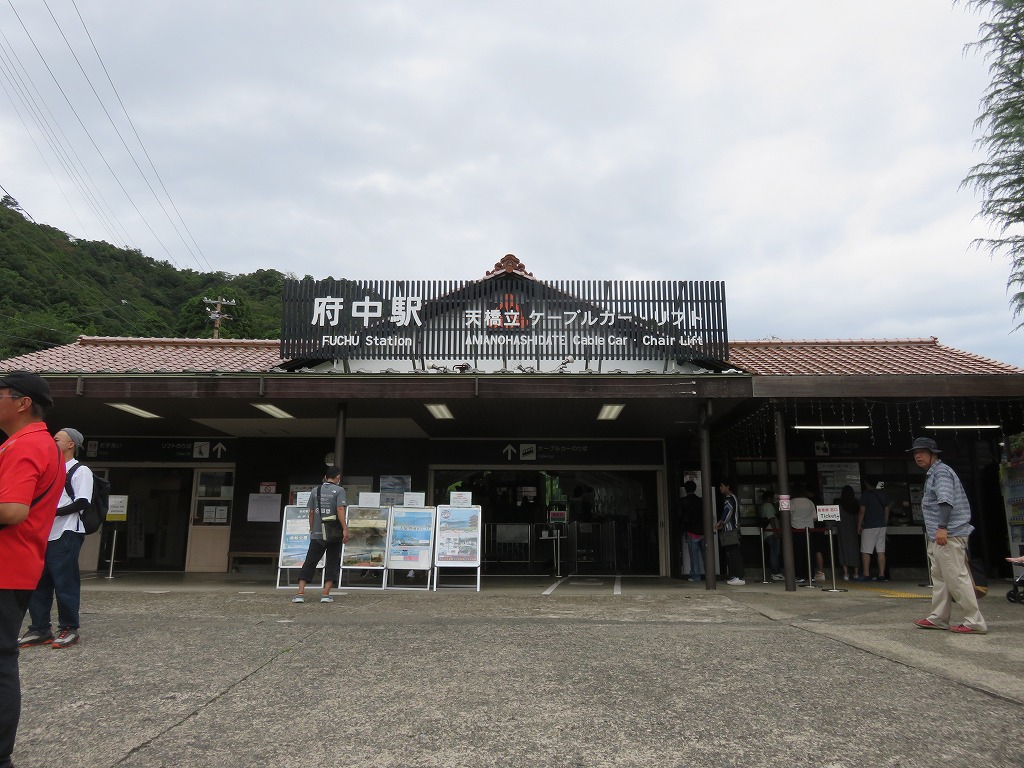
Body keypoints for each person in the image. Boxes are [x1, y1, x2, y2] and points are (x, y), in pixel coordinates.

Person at [0, 371, 65, 768]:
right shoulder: (41, 444)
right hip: (18, 565)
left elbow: (12, 510)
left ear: (23, 402)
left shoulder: (25, 446)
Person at [19, 428, 92, 650]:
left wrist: (49, 511)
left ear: (71, 444)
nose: (52, 441)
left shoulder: (80, 471)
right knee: (38, 581)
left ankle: (69, 627)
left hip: (66, 532)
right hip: (42, 533)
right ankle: (40, 628)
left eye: (57, 439)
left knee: (64, 581)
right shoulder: (48, 469)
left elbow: (82, 502)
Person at [909, 437, 988, 634]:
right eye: (915, 453)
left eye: (922, 452)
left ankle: (974, 621)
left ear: (933, 454)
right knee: (941, 577)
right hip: (940, 534)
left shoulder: (941, 472)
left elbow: (945, 501)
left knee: (955, 577)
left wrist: (942, 527)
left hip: (948, 533)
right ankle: (938, 617)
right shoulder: (934, 473)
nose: (918, 456)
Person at [292, 466, 348, 603]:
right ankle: (325, 593)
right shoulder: (339, 491)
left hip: (317, 533)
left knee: (310, 561)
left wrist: (312, 529)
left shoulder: (315, 491)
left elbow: (311, 512)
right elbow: (340, 509)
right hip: (334, 533)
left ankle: (300, 593)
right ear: (338, 477)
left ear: (325, 476)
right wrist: (345, 528)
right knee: (332, 562)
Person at [856, 478, 891, 581]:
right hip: (882, 526)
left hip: (869, 525)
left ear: (866, 483)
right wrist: (885, 522)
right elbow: (887, 508)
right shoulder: (882, 494)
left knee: (866, 550)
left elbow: (862, 511)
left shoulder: (866, 495)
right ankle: (881, 574)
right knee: (881, 551)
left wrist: (859, 525)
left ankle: (866, 573)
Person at [789, 485, 825, 583]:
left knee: (798, 554)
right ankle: (810, 575)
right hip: (809, 529)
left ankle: (799, 576)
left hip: (796, 529)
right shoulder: (810, 502)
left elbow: (787, 515)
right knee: (809, 553)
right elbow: (814, 517)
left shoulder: (792, 502)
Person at [716, 479, 745, 585]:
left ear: (727, 486)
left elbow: (728, 511)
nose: (720, 488)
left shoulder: (729, 499)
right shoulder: (734, 498)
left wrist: (721, 522)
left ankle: (739, 576)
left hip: (731, 530)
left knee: (734, 553)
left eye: (722, 486)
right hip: (735, 529)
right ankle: (736, 576)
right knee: (734, 553)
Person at [679, 480, 704, 582]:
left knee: (694, 556)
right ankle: (710, 575)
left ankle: (696, 576)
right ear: (695, 488)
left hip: (691, 532)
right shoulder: (701, 501)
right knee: (706, 555)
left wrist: (682, 529)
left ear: (685, 490)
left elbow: (681, 516)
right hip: (703, 531)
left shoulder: (683, 501)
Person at [836, 485, 860, 580]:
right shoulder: (856, 503)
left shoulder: (839, 504)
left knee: (843, 550)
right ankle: (856, 573)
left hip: (842, 529)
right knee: (855, 550)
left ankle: (846, 573)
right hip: (854, 529)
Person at [758, 489, 783, 581]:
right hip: (771, 532)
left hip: (767, 532)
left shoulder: (762, 506)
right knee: (775, 553)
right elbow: (771, 519)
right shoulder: (768, 505)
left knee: (773, 553)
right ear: (769, 498)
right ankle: (775, 572)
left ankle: (775, 572)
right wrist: (775, 531)